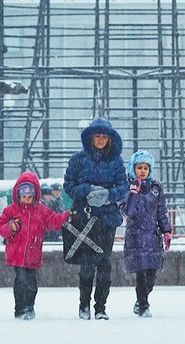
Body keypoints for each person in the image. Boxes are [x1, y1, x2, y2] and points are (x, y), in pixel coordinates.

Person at [63, 117, 129, 320]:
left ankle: (101, 307)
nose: (100, 140)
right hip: (85, 218)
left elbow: (124, 187)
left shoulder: (116, 161)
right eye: (97, 136)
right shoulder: (78, 159)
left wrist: (108, 195)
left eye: (104, 136)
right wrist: (87, 190)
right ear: (90, 137)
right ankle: (84, 305)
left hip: (107, 219)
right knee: (87, 265)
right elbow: (69, 185)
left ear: (110, 139)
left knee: (105, 264)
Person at [0, 172, 70, 320]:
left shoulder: (42, 211)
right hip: (17, 254)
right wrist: (11, 227)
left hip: (33, 254)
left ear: (35, 196)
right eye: (23, 197)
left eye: (29, 198)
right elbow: (0, 228)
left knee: (31, 284)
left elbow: (54, 221)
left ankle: (29, 307)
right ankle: (21, 309)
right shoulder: (10, 210)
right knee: (21, 280)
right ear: (18, 195)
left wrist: (67, 215)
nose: (26, 201)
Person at [122, 150, 172, 318]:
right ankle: (144, 306)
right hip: (135, 237)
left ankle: (140, 301)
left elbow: (161, 212)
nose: (143, 171)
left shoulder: (156, 188)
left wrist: (166, 231)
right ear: (133, 169)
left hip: (152, 237)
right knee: (141, 273)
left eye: (146, 167)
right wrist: (133, 192)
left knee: (151, 275)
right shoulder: (127, 187)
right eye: (139, 167)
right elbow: (128, 211)